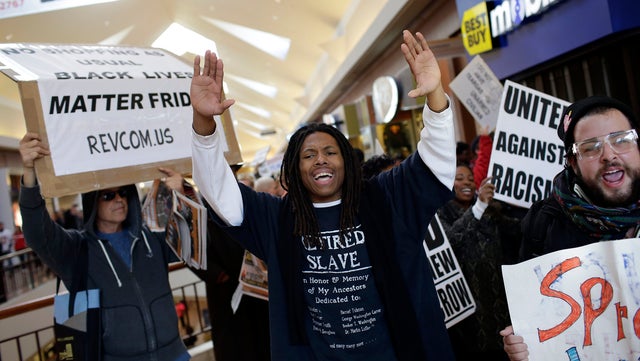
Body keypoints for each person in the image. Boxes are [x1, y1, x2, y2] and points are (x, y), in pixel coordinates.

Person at [189, 29, 456, 360]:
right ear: (296, 169)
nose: (320, 160)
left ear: (345, 159)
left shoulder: (386, 199)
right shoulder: (278, 218)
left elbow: (435, 165)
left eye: (330, 151)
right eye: (308, 154)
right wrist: (203, 122)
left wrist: (436, 96)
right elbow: (219, 194)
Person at [18, 133, 191, 361]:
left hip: (175, 355)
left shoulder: (152, 240)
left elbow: (193, 239)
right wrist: (30, 174)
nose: (119, 199)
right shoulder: (76, 250)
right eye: (108, 195)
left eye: (124, 193)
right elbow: (37, 234)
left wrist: (184, 193)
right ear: (91, 204)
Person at [500, 95, 640, 360]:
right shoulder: (544, 223)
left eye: (621, 140)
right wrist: (522, 346)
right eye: (591, 148)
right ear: (573, 163)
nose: (609, 155)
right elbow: (535, 324)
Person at [437, 164, 520, 360]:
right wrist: (479, 206)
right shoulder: (441, 213)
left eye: (470, 178)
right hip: (469, 314)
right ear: (449, 183)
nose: (466, 182)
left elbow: (517, 231)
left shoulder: (491, 208)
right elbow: (450, 240)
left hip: (499, 306)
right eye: (459, 178)